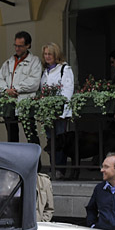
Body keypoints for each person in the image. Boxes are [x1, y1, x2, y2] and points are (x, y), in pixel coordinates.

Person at [0, 31, 42, 143]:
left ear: (28, 45)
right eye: (15, 45)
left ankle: (35, 160)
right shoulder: (8, 62)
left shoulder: (34, 61)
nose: (17, 48)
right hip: (9, 104)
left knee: (31, 135)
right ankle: (14, 160)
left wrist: (15, 89)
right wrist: (6, 90)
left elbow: (34, 82)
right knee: (11, 136)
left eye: (20, 46)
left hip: (25, 103)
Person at [40, 42, 75, 175]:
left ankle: (60, 169)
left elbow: (67, 91)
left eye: (50, 54)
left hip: (60, 112)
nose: (47, 56)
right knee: (50, 141)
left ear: (56, 55)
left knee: (60, 140)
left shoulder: (64, 69)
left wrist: (64, 111)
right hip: (48, 113)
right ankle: (53, 167)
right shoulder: (45, 71)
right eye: (45, 54)